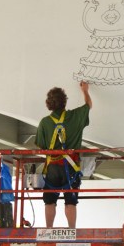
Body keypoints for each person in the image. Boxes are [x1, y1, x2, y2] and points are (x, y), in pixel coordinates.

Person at [35, 81, 92, 228]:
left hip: (52, 167)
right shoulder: (75, 116)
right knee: (70, 201)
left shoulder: (44, 122)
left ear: (49, 104)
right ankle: (71, 230)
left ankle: (49, 229)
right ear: (64, 102)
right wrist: (85, 90)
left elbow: (41, 145)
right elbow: (88, 105)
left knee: (49, 201)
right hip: (71, 166)